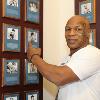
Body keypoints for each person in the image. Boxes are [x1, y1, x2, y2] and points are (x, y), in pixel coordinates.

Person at [27, 15, 100, 100]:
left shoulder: (93, 53)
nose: (71, 33)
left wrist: (34, 56)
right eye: (68, 29)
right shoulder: (66, 59)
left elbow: (58, 77)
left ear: (87, 33)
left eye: (78, 29)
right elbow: (62, 89)